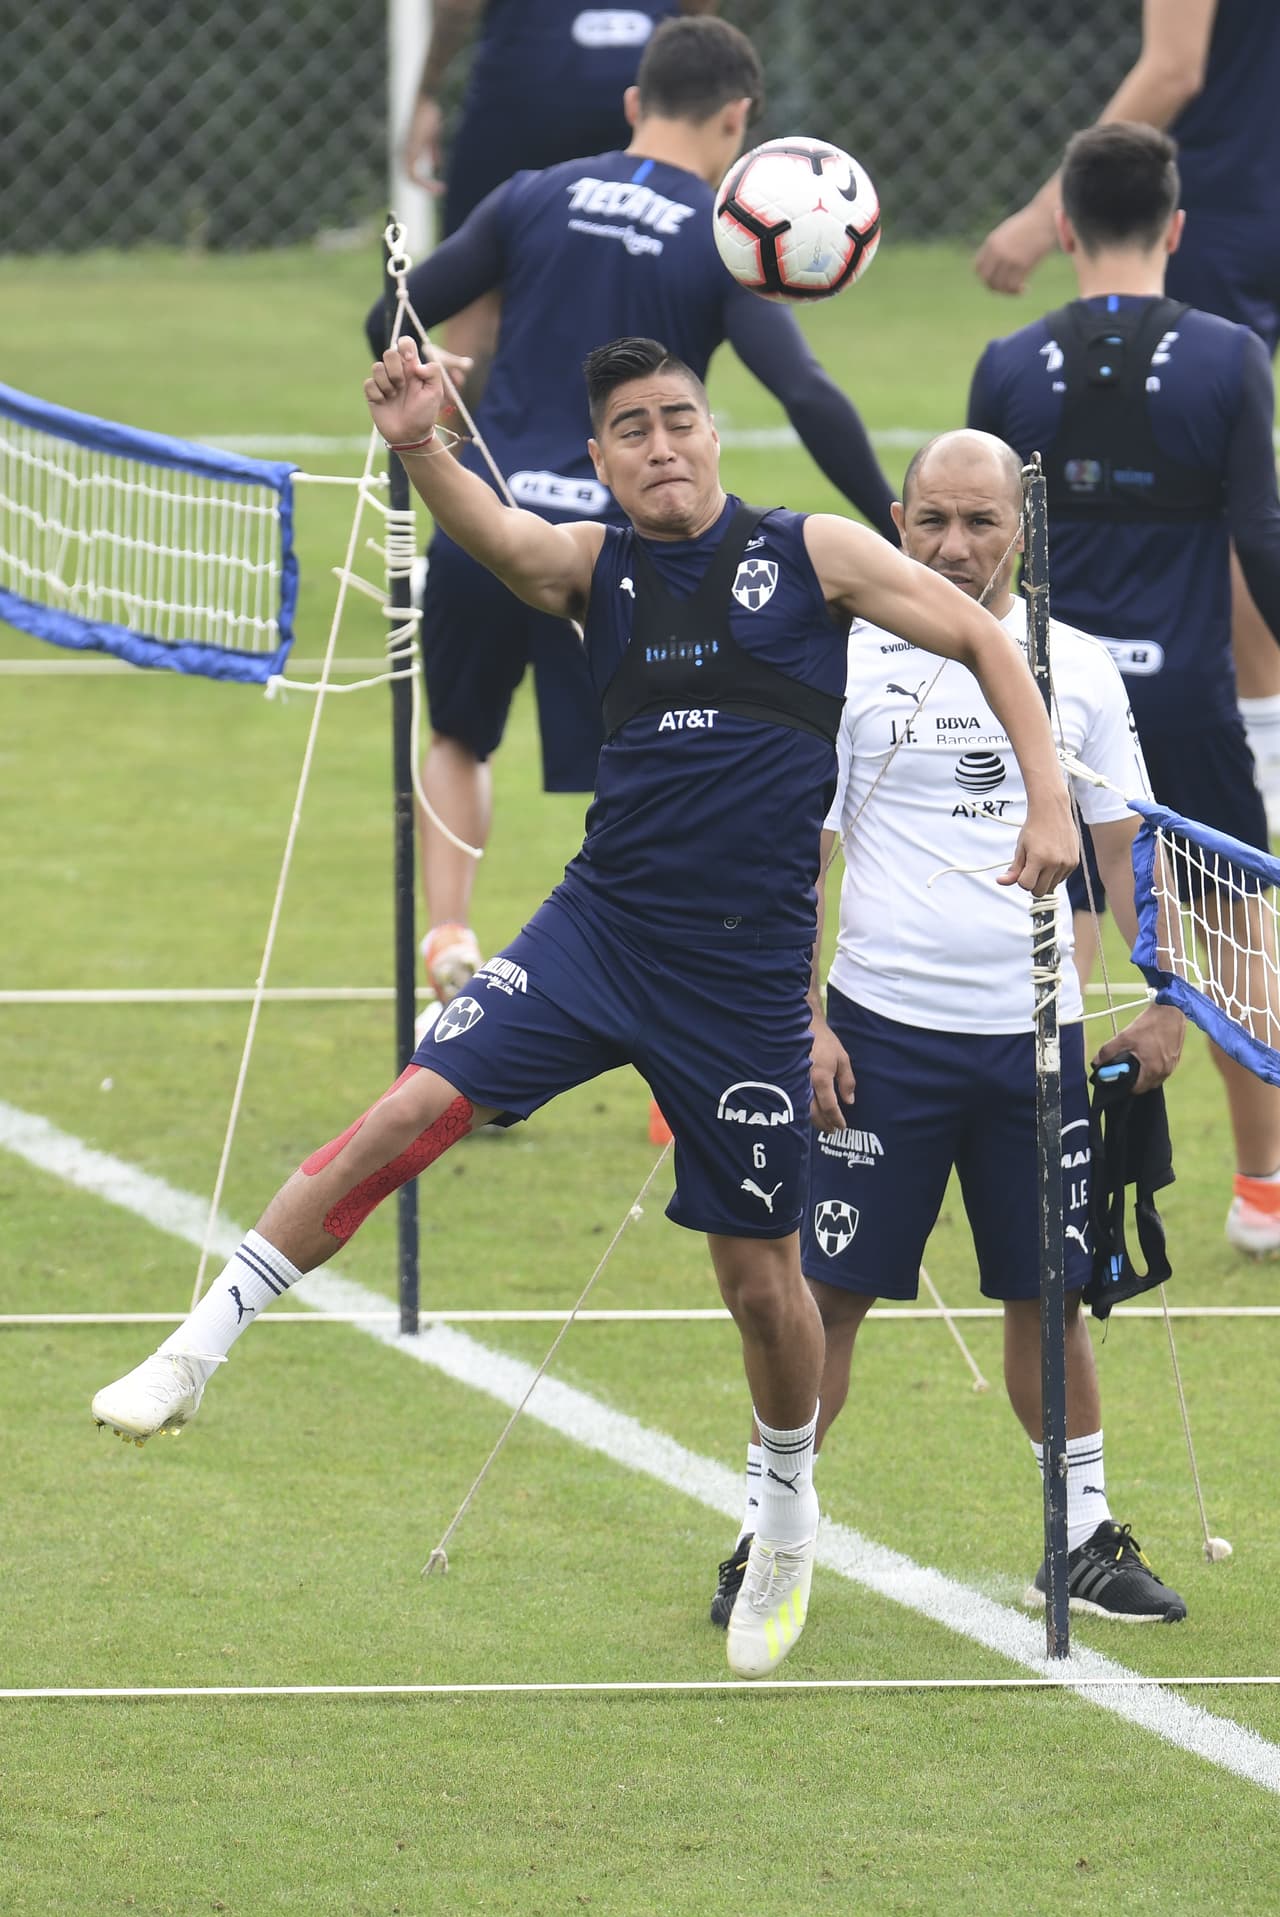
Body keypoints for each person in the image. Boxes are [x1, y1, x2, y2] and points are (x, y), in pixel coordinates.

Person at [92, 335, 1078, 1681]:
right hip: (598, 933)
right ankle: (196, 1351)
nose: (660, 446)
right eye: (630, 430)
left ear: (713, 434)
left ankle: (785, 1514)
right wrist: (418, 438)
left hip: (740, 980)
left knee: (759, 1284)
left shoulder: (815, 553)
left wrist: (1049, 797)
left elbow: (976, 631)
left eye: (678, 420)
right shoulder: (591, 567)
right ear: (602, 459)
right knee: (412, 1108)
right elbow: (496, 533)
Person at [709, 429, 1189, 1631]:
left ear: (1019, 530)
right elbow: (798, 859)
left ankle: (1074, 1534)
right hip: (879, 1040)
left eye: (980, 523)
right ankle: (769, 1531)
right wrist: (800, 1016)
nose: (956, 547)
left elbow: (1126, 850)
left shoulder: (1074, 669)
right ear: (894, 518)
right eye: (932, 522)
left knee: (1050, 1295)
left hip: (1038, 1045)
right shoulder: (840, 661)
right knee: (827, 1298)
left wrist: (1165, 992)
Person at [366, 14, 899, 1009]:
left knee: (456, 736)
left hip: (493, 520)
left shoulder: (535, 192)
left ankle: (448, 935)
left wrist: (426, 370)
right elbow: (806, 394)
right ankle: (663, 1022)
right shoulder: (720, 238)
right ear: (737, 120)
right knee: (646, 773)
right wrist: (887, 511)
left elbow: (391, 314)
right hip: (621, 554)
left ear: (629, 105)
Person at [968, 121, 1280, 1255]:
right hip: (1183, 701)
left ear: (1060, 231)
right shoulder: (1228, 354)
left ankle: (1031, 1167)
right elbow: (1259, 535)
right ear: (1176, 229)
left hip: (1047, 698)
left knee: (1059, 924)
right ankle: (1260, 1196)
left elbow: (976, 555)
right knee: (1232, 927)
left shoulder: (1006, 366)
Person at [974, 0, 1280, 825]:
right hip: (1254, 200)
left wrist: (1044, 216)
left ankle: (1223, 741)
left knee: (1201, 472)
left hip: (1214, 208)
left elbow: (1174, 68)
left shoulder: (1005, 359)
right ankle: (1258, 744)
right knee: (1234, 474)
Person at [402, 1, 719, 408]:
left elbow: (457, 5)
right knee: (638, 297)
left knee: (475, 313)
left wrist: (428, 91)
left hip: (525, 88)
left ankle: (464, 465)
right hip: (638, 84)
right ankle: (630, 458)